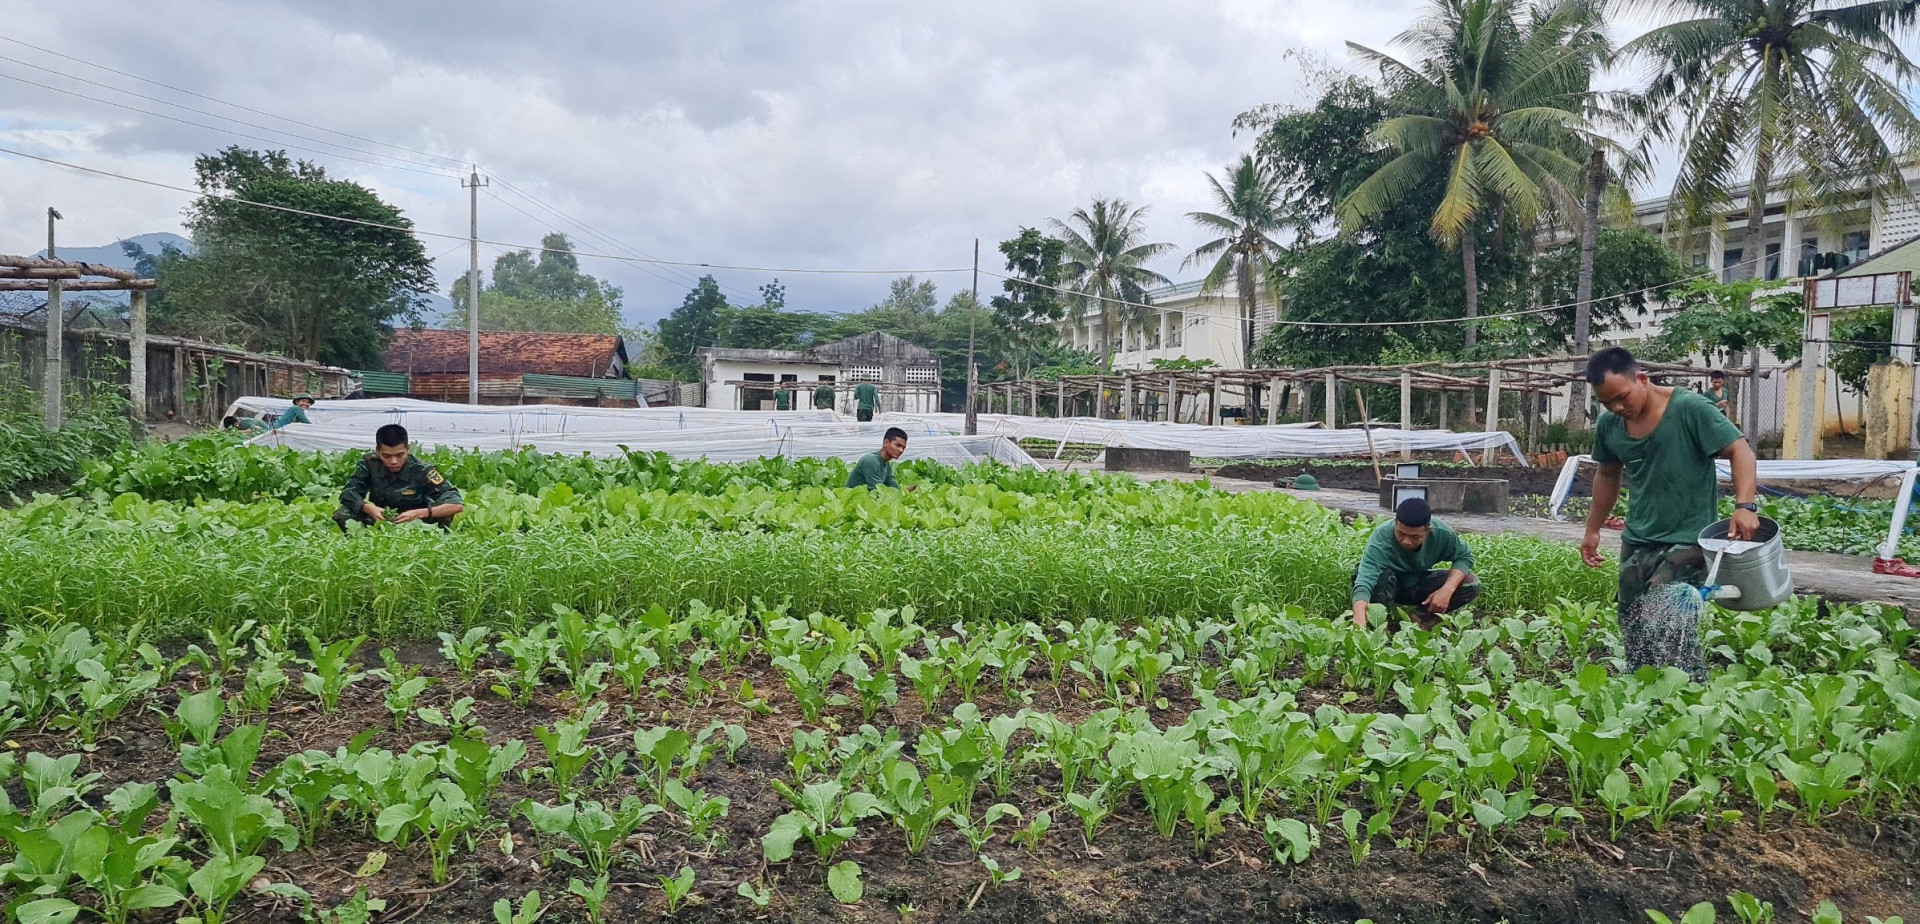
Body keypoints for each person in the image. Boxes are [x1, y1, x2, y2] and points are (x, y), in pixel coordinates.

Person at [1581, 346, 1758, 681]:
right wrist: (1593, 529)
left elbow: (1740, 450)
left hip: (1688, 539)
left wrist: (1744, 506)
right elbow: (1607, 474)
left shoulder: (1689, 409)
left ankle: (1691, 698)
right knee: (1633, 626)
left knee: (1666, 622)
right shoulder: (1610, 425)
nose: (1618, 408)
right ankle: (1644, 700)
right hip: (1638, 540)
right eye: (1607, 403)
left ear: (1642, 379)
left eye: (1622, 397)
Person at [1350, 497, 1480, 630]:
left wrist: (1446, 590)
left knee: (1470, 582)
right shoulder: (1381, 537)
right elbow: (1364, 582)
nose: (1406, 541)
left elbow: (1464, 557)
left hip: (1417, 582)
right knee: (1380, 578)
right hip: (1388, 584)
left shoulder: (1442, 533)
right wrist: (1359, 623)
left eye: (1415, 537)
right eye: (1401, 533)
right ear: (1395, 523)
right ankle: (1378, 623)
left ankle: (1421, 617)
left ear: (1428, 530)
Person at [332, 423, 465, 531]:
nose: (394, 461)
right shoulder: (369, 463)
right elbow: (348, 493)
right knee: (342, 514)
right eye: (387, 456)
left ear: (407, 449)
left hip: (419, 521)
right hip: (382, 518)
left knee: (445, 512)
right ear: (378, 451)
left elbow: (456, 504)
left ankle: (431, 539)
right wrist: (368, 508)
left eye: (400, 455)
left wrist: (420, 513)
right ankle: (365, 541)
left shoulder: (423, 469)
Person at [846, 427, 916, 492]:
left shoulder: (887, 464)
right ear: (886, 443)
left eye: (903, 448)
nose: (901, 450)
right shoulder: (871, 460)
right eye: (898, 445)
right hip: (851, 501)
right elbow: (876, 490)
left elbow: (893, 486)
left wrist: (914, 488)